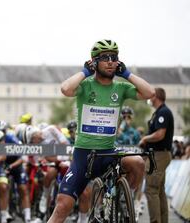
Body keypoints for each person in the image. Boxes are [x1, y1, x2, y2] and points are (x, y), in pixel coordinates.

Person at [47, 39, 155, 223]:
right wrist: (84, 72)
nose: (111, 61)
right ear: (94, 61)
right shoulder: (86, 85)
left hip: (108, 153)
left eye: (114, 57)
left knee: (138, 162)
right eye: (105, 58)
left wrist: (127, 73)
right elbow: (65, 89)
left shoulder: (121, 88)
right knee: (62, 206)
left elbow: (150, 93)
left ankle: (124, 198)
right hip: (84, 157)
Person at [139, 87, 174, 223]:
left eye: (151, 95)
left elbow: (160, 134)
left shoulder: (163, 113)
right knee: (159, 191)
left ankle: (155, 221)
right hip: (159, 155)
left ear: (156, 97)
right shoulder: (159, 112)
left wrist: (145, 139)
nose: (149, 97)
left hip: (159, 155)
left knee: (151, 190)